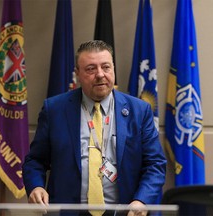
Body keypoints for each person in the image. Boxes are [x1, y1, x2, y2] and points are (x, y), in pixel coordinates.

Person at [22, 40, 166, 216]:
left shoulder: (139, 111)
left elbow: (155, 164)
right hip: (70, 212)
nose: (100, 75)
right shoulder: (54, 109)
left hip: (124, 212)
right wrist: (36, 186)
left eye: (106, 67)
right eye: (91, 69)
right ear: (77, 74)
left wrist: (141, 200)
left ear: (113, 69)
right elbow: (35, 160)